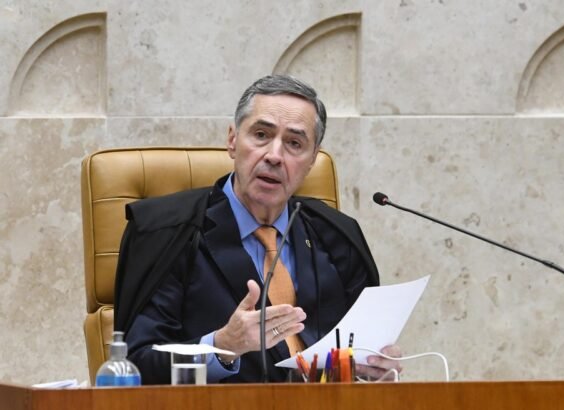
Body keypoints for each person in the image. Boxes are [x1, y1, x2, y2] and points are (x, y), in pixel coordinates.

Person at [114, 74, 402, 383]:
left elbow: (361, 353)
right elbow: (135, 365)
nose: (274, 156)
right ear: (233, 141)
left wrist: (374, 369)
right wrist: (223, 346)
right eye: (261, 135)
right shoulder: (167, 232)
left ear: (311, 161)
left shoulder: (337, 236)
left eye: (294, 143)